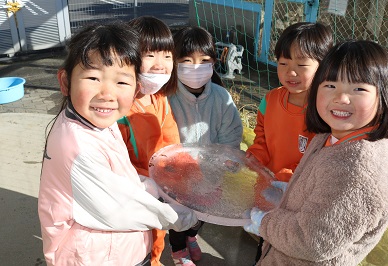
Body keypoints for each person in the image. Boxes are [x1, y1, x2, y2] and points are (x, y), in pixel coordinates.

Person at [37, 21, 198, 266]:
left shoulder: (98, 122)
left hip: (119, 249)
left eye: (121, 82)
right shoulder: (77, 145)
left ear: (136, 88)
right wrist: (182, 216)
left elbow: (125, 180)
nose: (107, 94)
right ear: (65, 82)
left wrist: (155, 188)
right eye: (93, 77)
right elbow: (121, 209)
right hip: (96, 257)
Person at [244, 40, 388, 265]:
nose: (341, 98)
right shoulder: (332, 135)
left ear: (383, 96)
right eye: (330, 85)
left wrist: (264, 222)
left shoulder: (354, 172)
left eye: (358, 89)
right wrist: (290, 190)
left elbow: (310, 241)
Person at [245, 22, 333, 262]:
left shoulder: (325, 111)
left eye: (301, 65)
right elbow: (261, 135)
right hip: (267, 185)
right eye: (283, 64)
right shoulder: (271, 99)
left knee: (286, 244)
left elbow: (320, 159)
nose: (290, 73)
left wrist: (288, 177)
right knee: (265, 240)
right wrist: (256, 155)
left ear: (324, 66)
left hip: (299, 197)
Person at [167, 26, 243, 265]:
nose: (196, 67)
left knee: (203, 211)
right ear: (174, 62)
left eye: (204, 60)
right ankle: (178, 250)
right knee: (178, 217)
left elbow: (231, 133)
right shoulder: (166, 97)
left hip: (211, 172)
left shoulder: (221, 97)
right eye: (187, 60)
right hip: (176, 176)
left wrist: (224, 163)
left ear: (213, 62)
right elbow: (163, 139)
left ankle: (192, 237)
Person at [117, 16, 179, 266]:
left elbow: (171, 142)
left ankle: (154, 260)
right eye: (150, 55)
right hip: (131, 192)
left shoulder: (159, 98)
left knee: (157, 233)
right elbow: (115, 162)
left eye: (167, 55)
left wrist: (180, 173)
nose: (160, 65)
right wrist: (150, 181)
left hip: (156, 188)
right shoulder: (118, 108)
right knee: (133, 240)